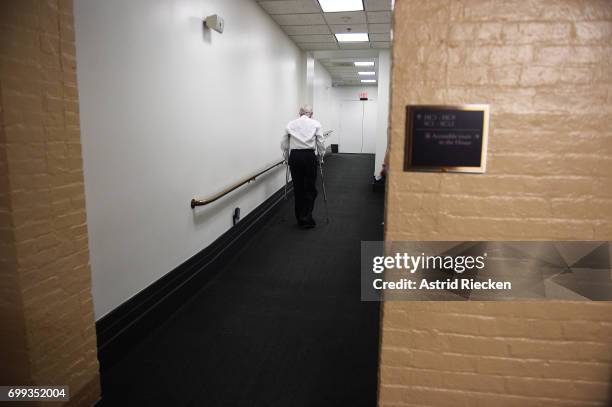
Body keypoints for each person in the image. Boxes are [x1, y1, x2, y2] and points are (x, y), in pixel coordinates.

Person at [281, 105, 325, 229]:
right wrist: (321, 157)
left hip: (295, 156)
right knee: (310, 188)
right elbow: (320, 142)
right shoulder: (316, 124)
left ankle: (299, 218)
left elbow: (284, 143)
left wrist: (286, 157)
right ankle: (307, 217)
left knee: (298, 188)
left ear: (299, 113)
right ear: (311, 113)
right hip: (309, 156)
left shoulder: (291, 124)